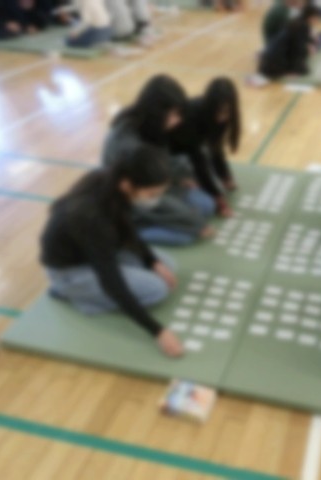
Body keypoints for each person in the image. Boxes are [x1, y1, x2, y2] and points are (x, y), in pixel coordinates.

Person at [41, 144, 183, 357]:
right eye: (152, 193)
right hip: (71, 271)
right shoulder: (92, 216)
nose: (156, 199)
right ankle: (67, 291)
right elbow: (111, 280)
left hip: (94, 250)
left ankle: (87, 288)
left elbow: (127, 229)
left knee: (167, 265)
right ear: (127, 185)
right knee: (157, 290)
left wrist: (152, 261)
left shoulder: (111, 184)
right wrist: (157, 331)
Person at [103, 75, 216, 247]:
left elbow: (163, 162)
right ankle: (128, 232)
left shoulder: (150, 126)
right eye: (173, 114)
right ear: (156, 112)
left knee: (206, 206)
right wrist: (194, 223)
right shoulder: (129, 147)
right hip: (134, 201)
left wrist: (181, 177)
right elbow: (147, 199)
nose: (178, 120)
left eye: (179, 114)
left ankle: (177, 217)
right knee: (186, 235)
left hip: (156, 187)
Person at [169, 77, 242, 217]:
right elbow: (197, 160)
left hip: (190, 150)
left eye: (227, 112)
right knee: (206, 202)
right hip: (169, 153)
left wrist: (225, 176)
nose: (222, 117)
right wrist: (217, 197)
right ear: (210, 107)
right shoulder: (192, 115)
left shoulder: (223, 116)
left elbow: (216, 147)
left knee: (212, 179)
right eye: (219, 112)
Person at [258, 5, 320, 80]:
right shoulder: (302, 26)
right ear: (311, 17)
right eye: (316, 18)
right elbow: (296, 49)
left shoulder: (297, 21)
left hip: (268, 59)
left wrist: (311, 41)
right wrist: (307, 49)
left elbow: (301, 40)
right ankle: (285, 71)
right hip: (275, 62)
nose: (318, 20)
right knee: (305, 70)